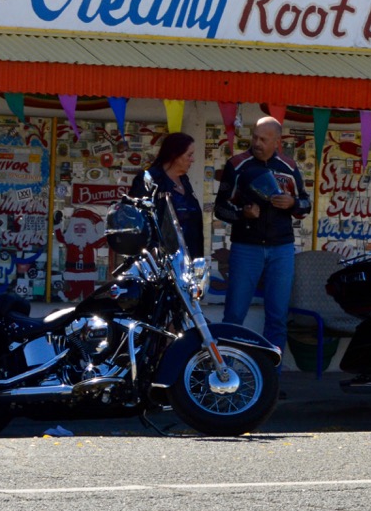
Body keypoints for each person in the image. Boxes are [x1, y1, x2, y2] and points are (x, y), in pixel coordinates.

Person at [213, 117, 310, 360]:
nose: (257, 143)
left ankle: (270, 378)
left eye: (263, 139)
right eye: (255, 137)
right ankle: (227, 377)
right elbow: (220, 208)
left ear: (277, 141)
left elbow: (306, 204)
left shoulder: (289, 167)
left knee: (277, 317)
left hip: (282, 249)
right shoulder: (237, 164)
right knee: (234, 315)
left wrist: (293, 203)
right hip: (246, 247)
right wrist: (242, 214)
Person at [129, 131, 204, 259]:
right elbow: (136, 220)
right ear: (175, 155)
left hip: (189, 258)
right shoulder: (149, 179)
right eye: (189, 155)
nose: (193, 159)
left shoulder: (185, 181)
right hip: (158, 261)